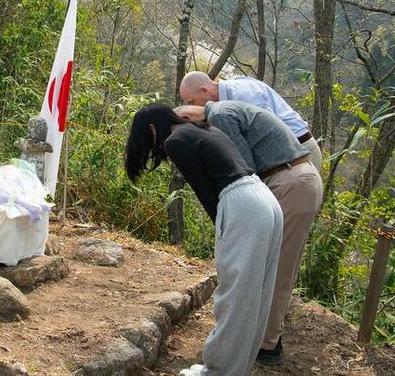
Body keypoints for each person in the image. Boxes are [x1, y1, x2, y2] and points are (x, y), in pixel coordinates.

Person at [125, 103, 283, 376]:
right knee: (255, 295)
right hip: (265, 199)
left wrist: (222, 232)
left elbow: (207, 193)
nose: (154, 149)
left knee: (233, 296)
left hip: (242, 204)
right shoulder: (204, 128)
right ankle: (237, 369)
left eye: (148, 141)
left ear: (152, 129)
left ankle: (218, 372)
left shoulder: (175, 141)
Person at [175, 101, 323, 364]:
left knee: (276, 267)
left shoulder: (220, 116)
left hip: (288, 181)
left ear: (188, 117)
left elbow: (244, 168)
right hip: (291, 179)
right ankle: (259, 339)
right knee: (270, 266)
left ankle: (266, 344)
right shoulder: (226, 109)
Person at [179, 71, 323, 169]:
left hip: (300, 151)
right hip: (283, 158)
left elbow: (269, 133)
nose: (191, 107)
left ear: (205, 90)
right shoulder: (225, 102)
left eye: (191, 102)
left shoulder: (243, 93)